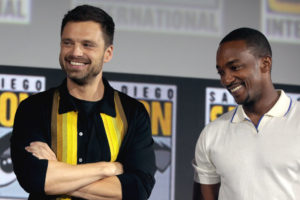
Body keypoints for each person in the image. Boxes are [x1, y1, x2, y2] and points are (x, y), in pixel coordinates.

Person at [10, 4, 156, 200]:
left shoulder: (133, 113)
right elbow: (34, 179)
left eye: (87, 44)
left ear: (108, 53)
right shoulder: (34, 108)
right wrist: (108, 168)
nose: (75, 52)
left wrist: (56, 176)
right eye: (68, 43)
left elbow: (137, 190)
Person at [192, 27, 300, 200]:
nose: (226, 80)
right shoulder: (212, 134)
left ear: (265, 64)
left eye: (234, 67)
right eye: (221, 72)